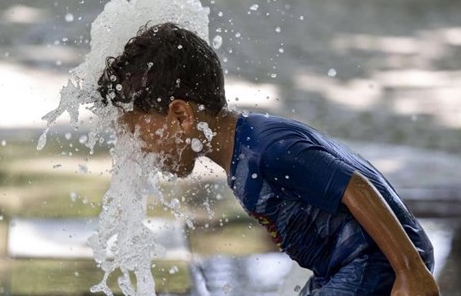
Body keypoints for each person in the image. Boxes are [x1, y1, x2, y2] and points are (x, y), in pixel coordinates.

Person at [97, 22, 439, 295]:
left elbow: (357, 187)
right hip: (347, 267)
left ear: (181, 116)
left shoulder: (267, 149)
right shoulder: (243, 152)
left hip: (377, 264)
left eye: (139, 134)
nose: (137, 149)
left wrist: (411, 272)